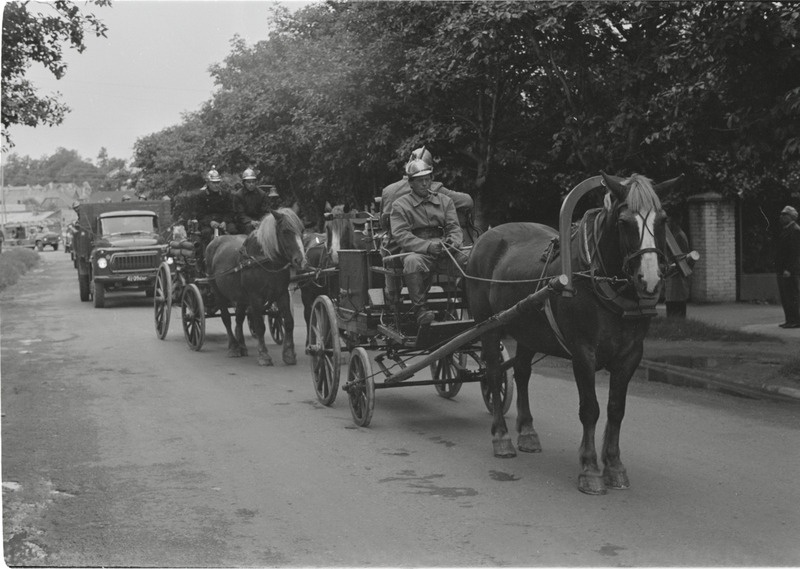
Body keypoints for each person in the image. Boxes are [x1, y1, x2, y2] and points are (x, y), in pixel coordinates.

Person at [390, 157, 467, 326]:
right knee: (411, 262)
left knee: (471, 258)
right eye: (420, 181)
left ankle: (473, 301)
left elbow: (454, 227)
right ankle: (421, 311)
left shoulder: (445, 201)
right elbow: (401, 235)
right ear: (410, 183)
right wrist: (428, 247)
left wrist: (453, 243)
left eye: (428, 179)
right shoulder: (400, 205)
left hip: (446, 251)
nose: (425, 184)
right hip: (418, 252)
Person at [380, 146, 474, 233]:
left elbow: (383, 222)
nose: (424, 183)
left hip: (392, 245)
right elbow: (467, 201)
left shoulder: (388, 191)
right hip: (423, 243)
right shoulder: (433, 188)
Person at [776, 205, 800, 328]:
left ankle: (795, 320)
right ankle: (789, 319)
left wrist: (789, 269)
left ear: (791, 217)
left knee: (792, 295)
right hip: (783, 269)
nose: (781, 217)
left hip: (789, 270)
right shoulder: (786, 230)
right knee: (786, 296)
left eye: (784, 215)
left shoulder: (795, 230)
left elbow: (795, 253)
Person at [664, 214, 691, 318]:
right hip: (672, 275)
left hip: (677, 276)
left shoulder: (679, 236)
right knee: (671, 302)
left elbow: (683, 257)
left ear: (675, 222)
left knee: (676, 305)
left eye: (669, 221)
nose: (667, 224)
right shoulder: (673, 235)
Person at [232, 168, 270, 234]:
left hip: (259, 221)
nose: (251, 184)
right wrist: (250, 221)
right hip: (244, 223)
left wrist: (260, 221)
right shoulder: (238, 195)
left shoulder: (262, 194)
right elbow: (240, 214)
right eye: (248, 182)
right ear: (244, 183)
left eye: (253, 182)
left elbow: (265, 211)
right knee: (249, 228)